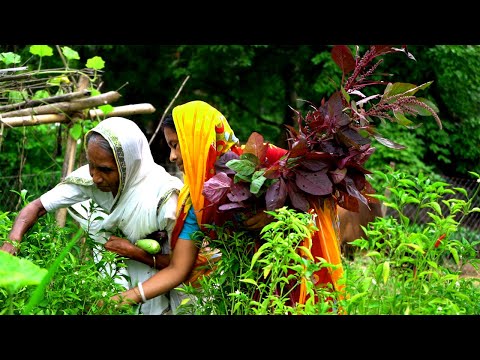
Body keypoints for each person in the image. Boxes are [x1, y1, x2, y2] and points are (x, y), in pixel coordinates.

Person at [0, 117, 184, 315]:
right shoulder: (90, 178)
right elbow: (37, 206)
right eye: (91, 165)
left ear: (129, 164)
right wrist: (12, 241)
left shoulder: (164, 197)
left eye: (105, 170)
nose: (95, 177)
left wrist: (135, 252)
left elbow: (182, 265)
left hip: (163, 289)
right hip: (116, 282)